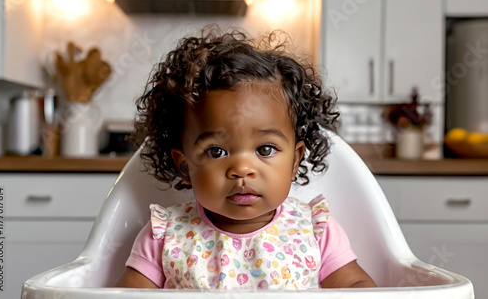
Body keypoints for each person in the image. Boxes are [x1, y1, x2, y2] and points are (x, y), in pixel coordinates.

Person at [116, 27, 376, 290]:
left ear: (295, 160)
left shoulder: (314, 230)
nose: (242, 169)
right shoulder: (165, 235)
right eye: (216, 151)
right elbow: (127, 296)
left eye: (265, 150)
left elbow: (355, 284)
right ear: (185, 166)